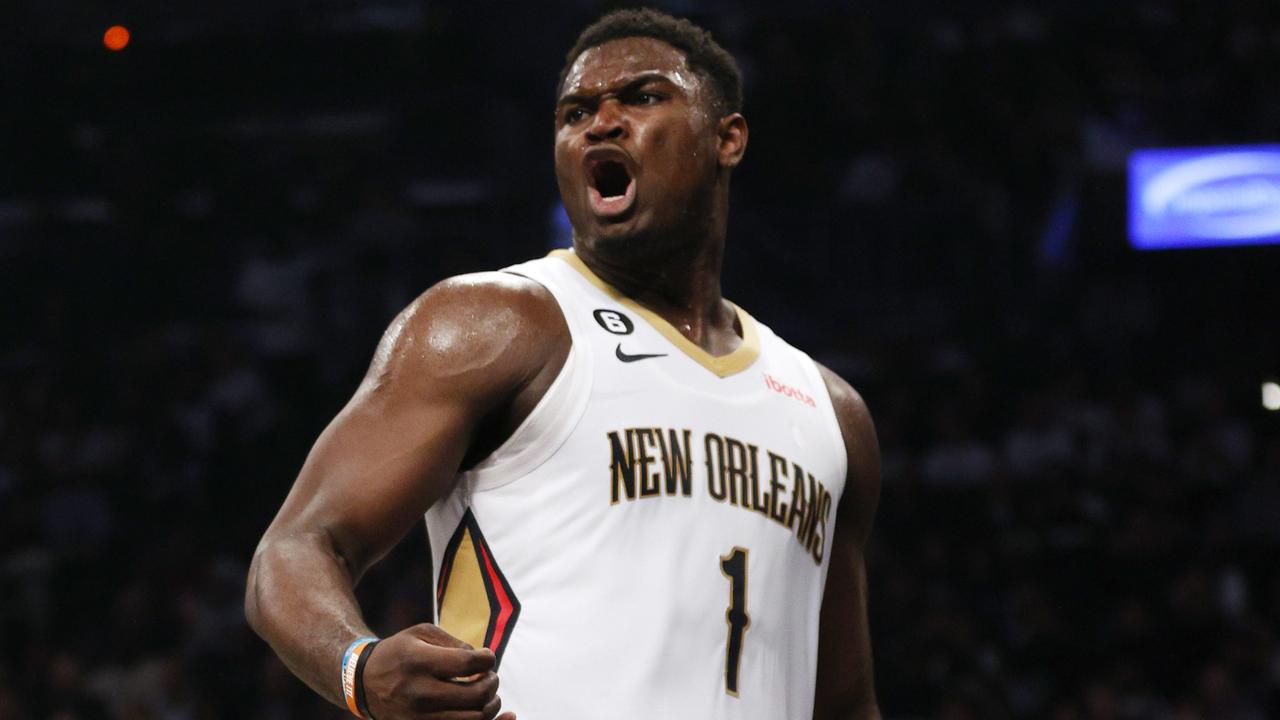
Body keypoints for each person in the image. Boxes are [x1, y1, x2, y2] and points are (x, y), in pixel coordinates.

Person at [245, 8, 881, 720]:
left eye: (641, 96)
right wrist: (358, 669)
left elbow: (846, 703)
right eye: (576, 111)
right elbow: (295, 548)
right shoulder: (496, 324)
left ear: (726, 138)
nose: (600, 122)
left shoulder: (829, 414)